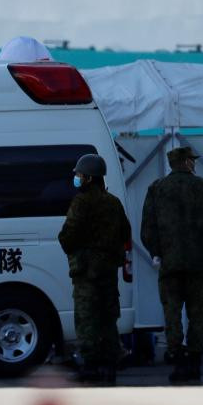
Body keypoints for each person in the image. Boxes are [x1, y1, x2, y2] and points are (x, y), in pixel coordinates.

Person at [140, 146, 203, 383]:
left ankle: (178, 363)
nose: (194, 164)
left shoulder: (156, 188)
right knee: (197, 315)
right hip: (198, 264)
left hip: (169, 265)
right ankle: (195, 364)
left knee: (172, 314)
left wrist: (155, 252)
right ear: (187, 162)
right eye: (192, 160)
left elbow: (148, 227)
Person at [58, 153, 131, 385]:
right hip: (108, 272)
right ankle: (109, 366)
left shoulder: (81, 202)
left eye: (80, 175)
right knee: (108, 318)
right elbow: (125, 234)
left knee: (87, 318)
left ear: (89, 177)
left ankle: (90, 366)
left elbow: (67, 236)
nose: (77, 178)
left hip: (86, 272)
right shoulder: (113, 202)